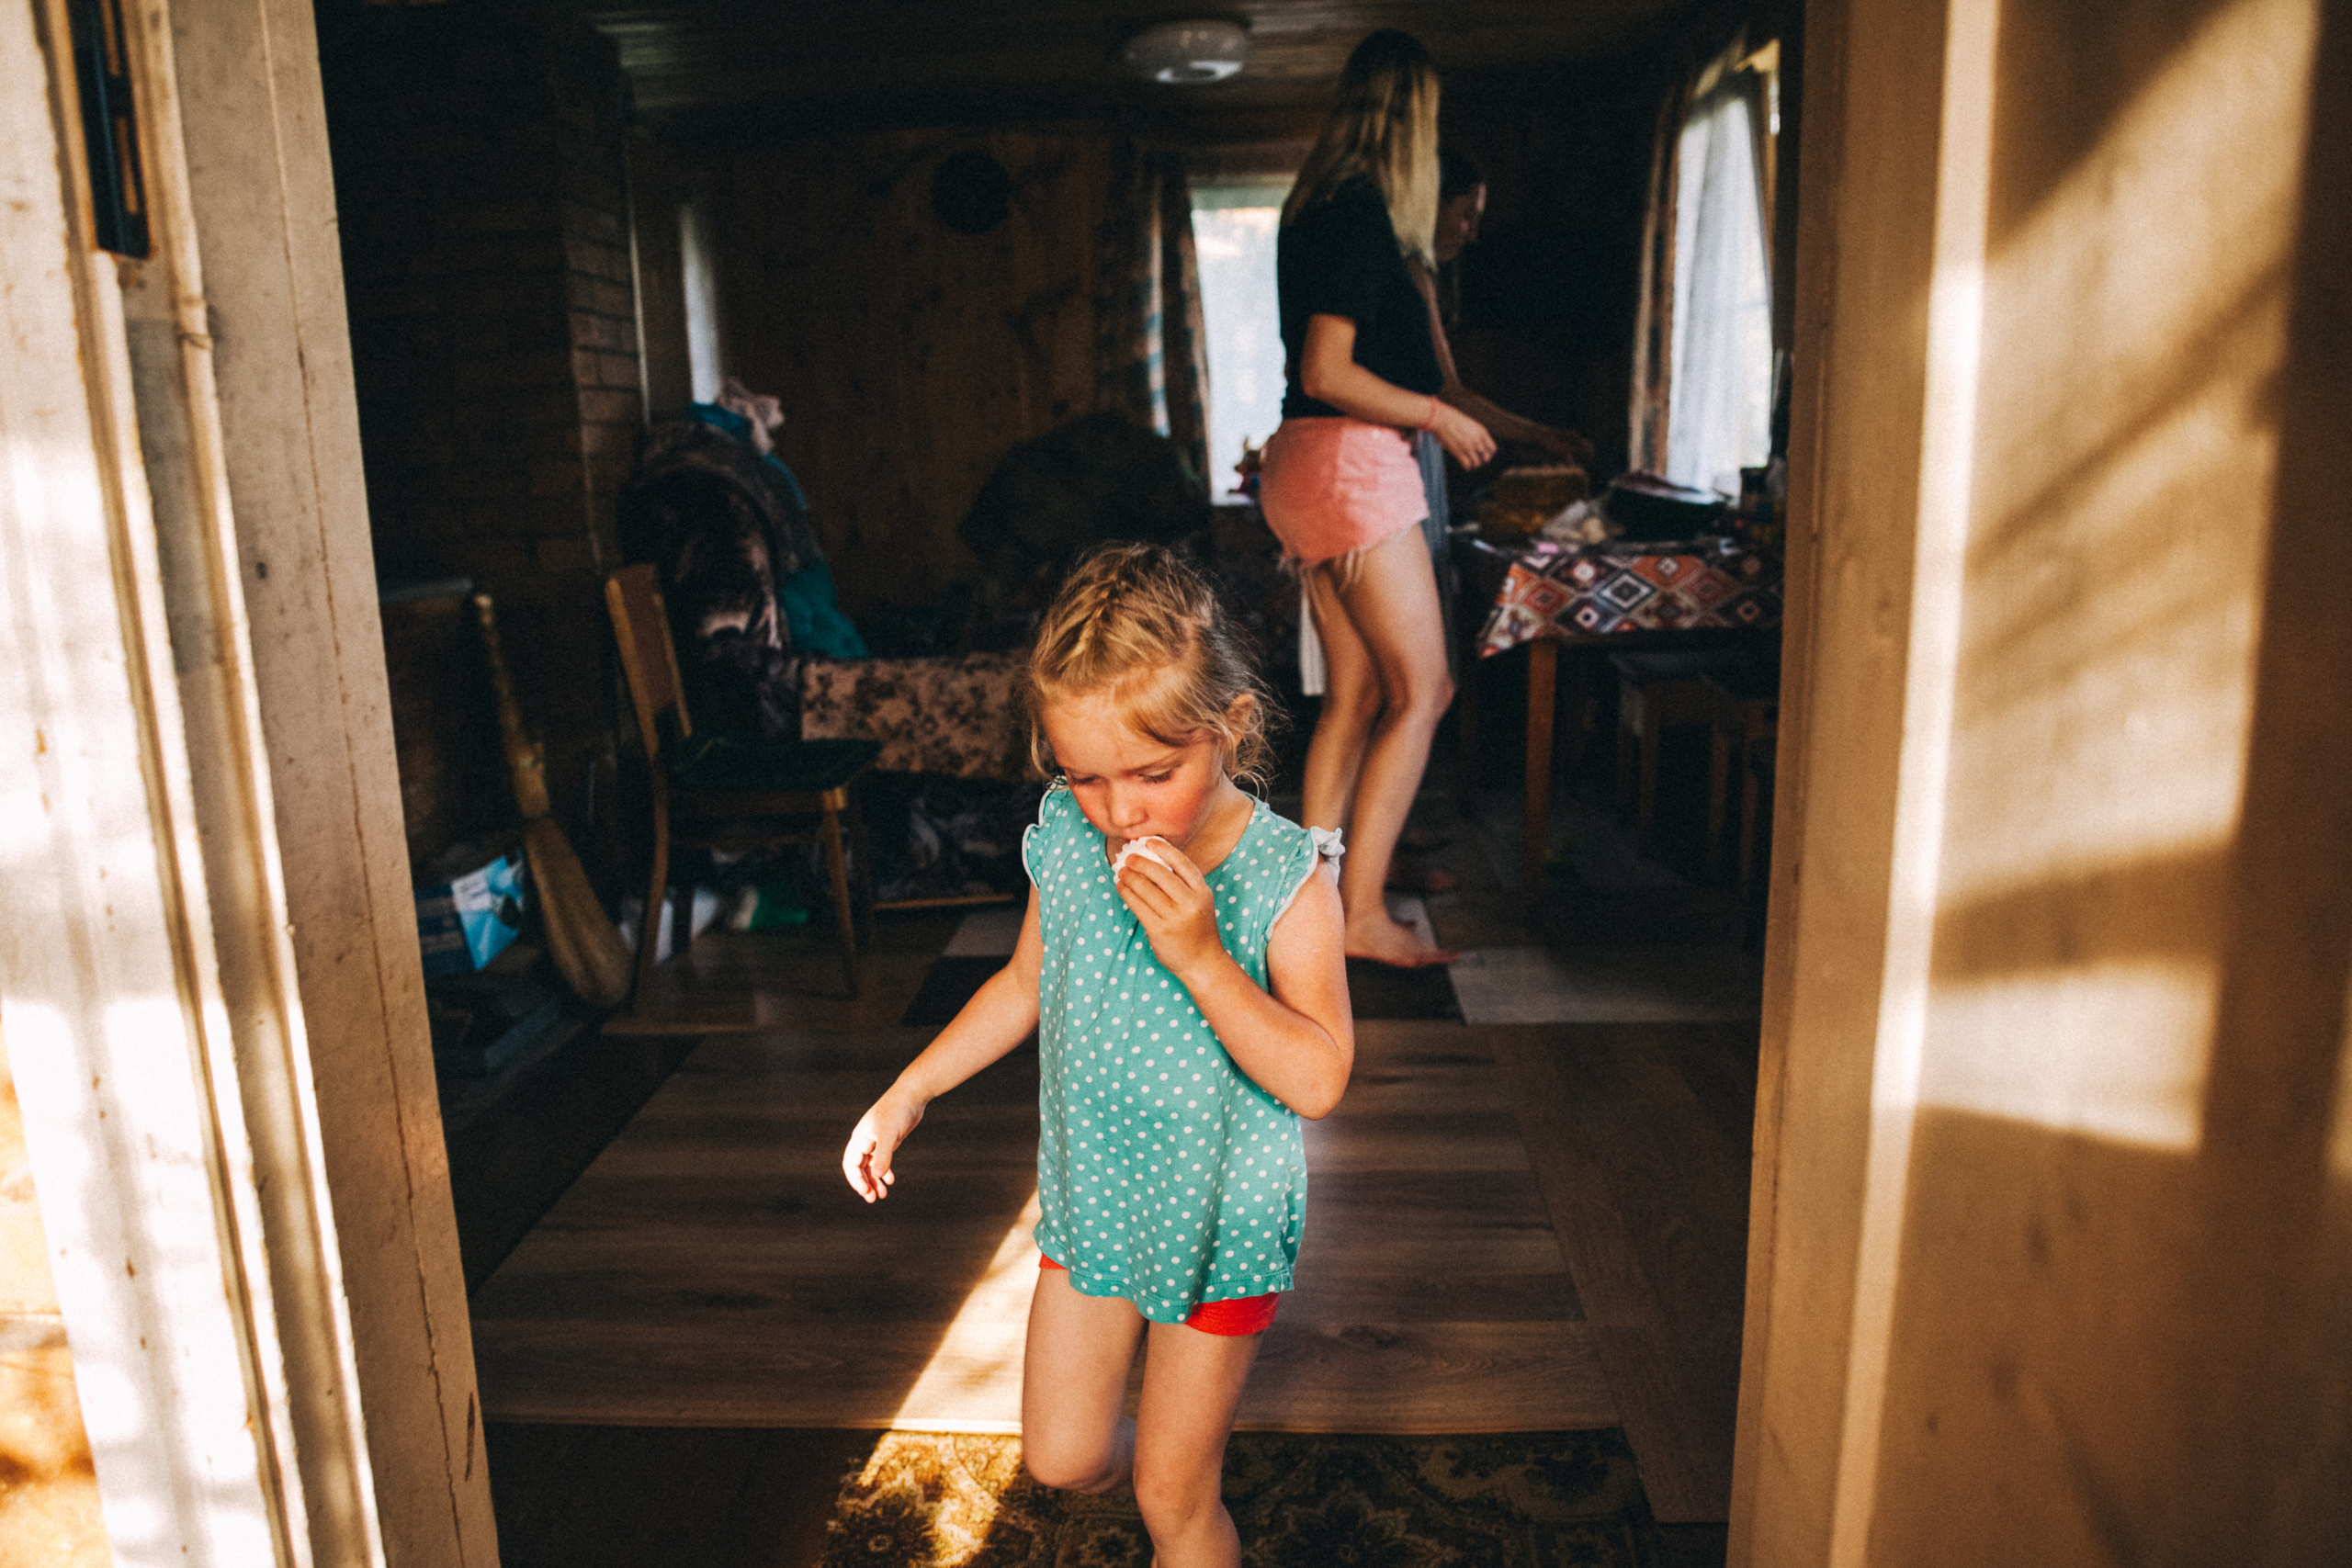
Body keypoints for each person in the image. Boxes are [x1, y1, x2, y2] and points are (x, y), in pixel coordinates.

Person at [841, 543, 1351, 1568]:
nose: (1120, 811)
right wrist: (910, 1089)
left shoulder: (1284, 877)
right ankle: (1169, 1450)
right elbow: (1023, 985)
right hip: (1094, 1206)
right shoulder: (1071, 845)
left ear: (1230, 730)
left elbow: (1318, 1076)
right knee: (1065, 1458)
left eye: (1155, 774)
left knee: (1173, 1499)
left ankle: (1185, 1485)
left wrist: (1204, 959)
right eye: (1084, 776)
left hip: (1218, 1227)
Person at [1257, 28, 1487, 966]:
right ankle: (1354, 917)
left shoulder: (1313, 209)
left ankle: (1310, 903)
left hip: (1300, 463)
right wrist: (1437, 415)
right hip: (1350, 461)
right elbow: (1327, 368)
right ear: (1412, 118)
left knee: (1353, 695)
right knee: (1423, 691)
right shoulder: (1359, 216)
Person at [1419, 149, 1593, 466]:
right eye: (1466, 217)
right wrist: (1539, 435)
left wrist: (1540, 434)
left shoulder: (1420, 274)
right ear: (1432, 203)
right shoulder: (1413, 274)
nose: (1471, 236)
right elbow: (1450, 392)